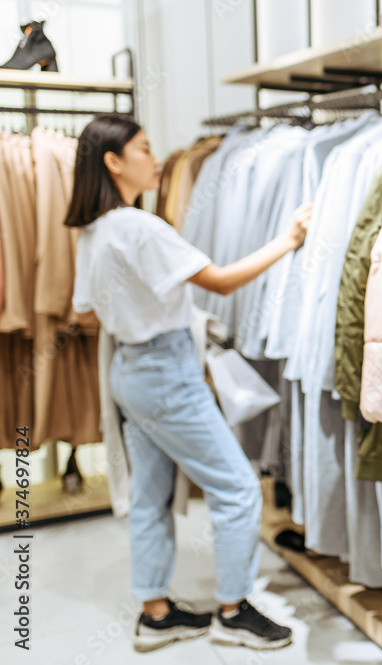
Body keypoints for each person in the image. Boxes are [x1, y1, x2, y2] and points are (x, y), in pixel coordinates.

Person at [67, 115, 311, 653]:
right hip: (166, 374)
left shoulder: (91, 229)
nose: (157, 159)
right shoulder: (138, 226)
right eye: (145, 149)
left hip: (130, 370)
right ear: (114, 161)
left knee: (150, 496)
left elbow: (86, 313)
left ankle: (156, 613)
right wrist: (288, 240)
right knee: (238, 488)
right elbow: (220, 279)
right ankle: (234, 610)